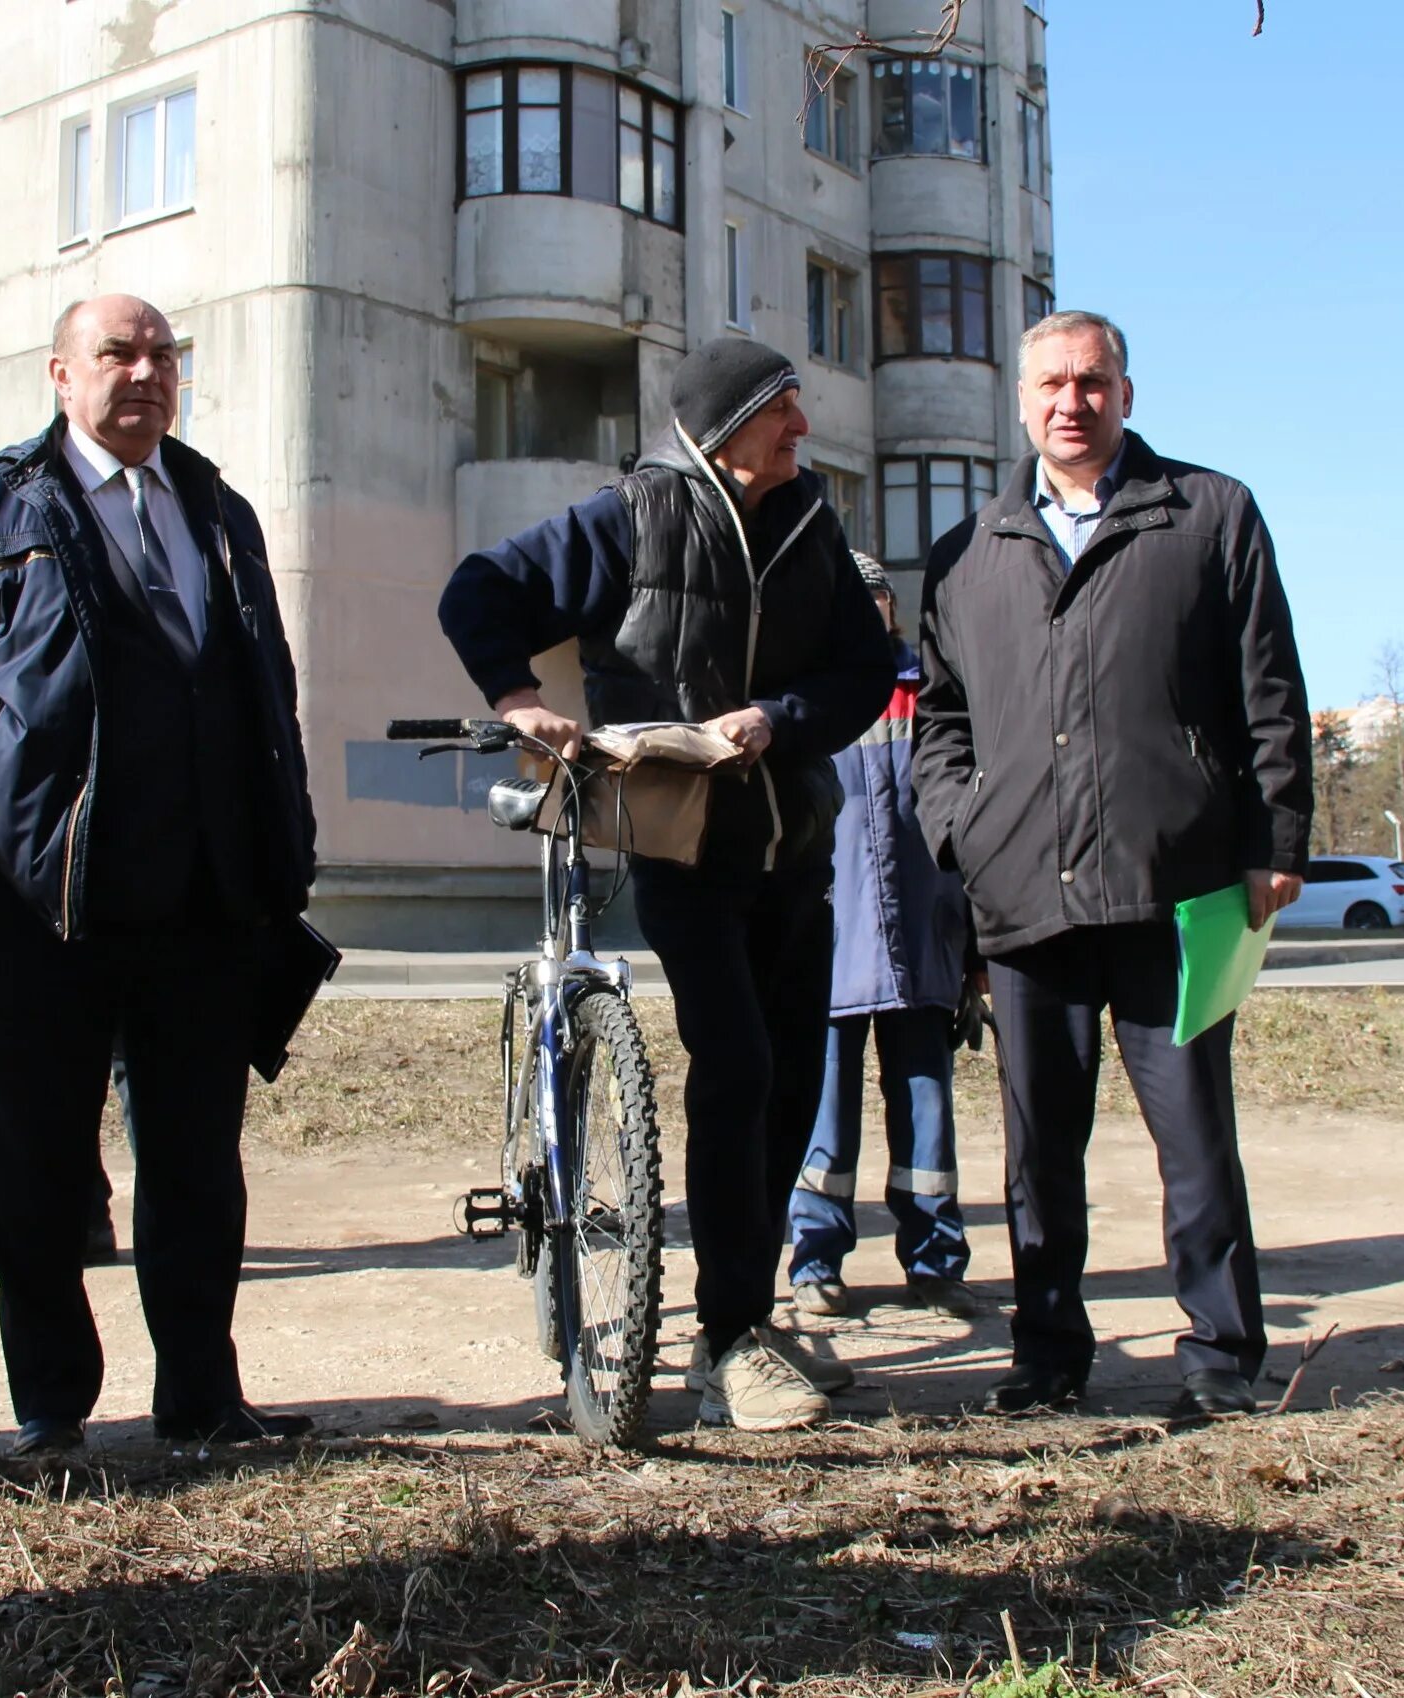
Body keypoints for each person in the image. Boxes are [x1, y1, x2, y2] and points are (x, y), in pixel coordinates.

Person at [0, 294, 320, 1456]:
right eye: (118, 354)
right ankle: (53, 1412)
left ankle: (201, 1397)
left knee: (196, 1164)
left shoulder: (216, 505)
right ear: (60, 373)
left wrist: (285, 848)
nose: (145, 373)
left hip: (206, 897)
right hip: (46, 903)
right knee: (35, 1161)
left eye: (163, 355)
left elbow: (264, 688)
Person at [438, 337, 895, 1431]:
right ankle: (727, 1339)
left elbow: (864, 670)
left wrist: (777, 720)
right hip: (680, 839)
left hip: (796, 840)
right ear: (723, 425)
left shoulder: (811, 523)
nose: (801, 430)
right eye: (783, 411)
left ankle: (750, 1309)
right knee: (733, 1064)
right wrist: (516, 700)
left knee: (791, 1077)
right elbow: (480, 590)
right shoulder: (631, 518)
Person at [912, 310, 1312, 1424]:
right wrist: (960, 829)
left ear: (1126, 393)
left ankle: (1222, 1355)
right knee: (1040, 1151)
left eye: (1092, 382)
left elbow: (1268, 691)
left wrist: (1274, 842)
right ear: (1021, 397)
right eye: (1050, 383)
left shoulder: (1209, 514)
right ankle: (1047, 1355)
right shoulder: (968, 551)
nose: (1070, 403)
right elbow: (940, 721)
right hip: (1022, 894)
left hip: (1172, 886)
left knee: (1194, 1134)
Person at [787, 551, 977, 1322]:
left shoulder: (927, 695)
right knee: (820, 1117)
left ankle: (935, 1261)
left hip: (924, 949)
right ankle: (815, 1262)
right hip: (827, 950)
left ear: (891, 608)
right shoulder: (804, 703)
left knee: (925, 1118)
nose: (867, 614)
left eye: (875, 600)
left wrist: (975, 947)